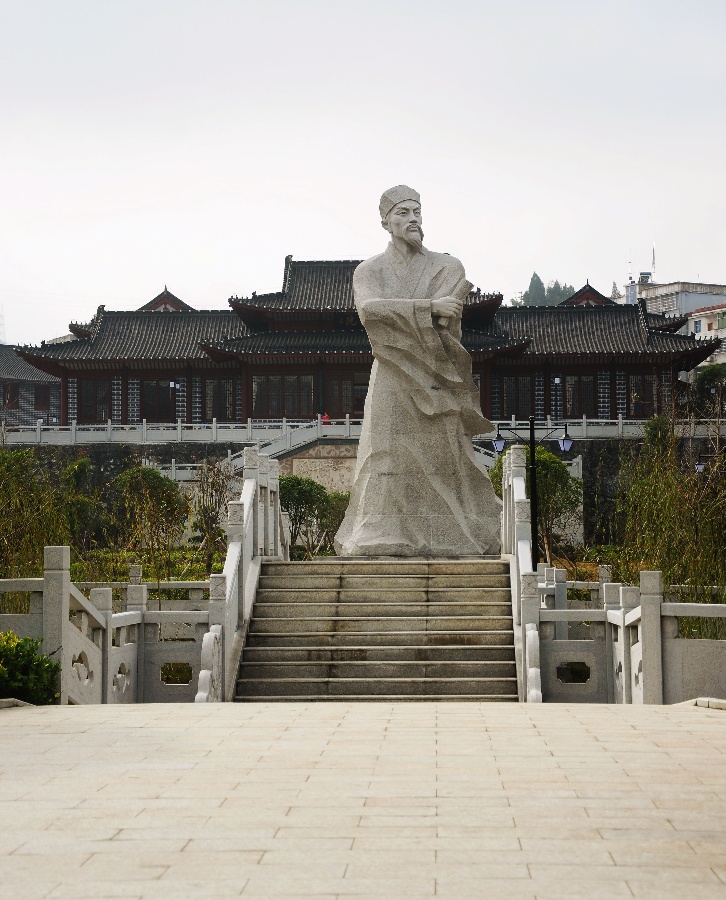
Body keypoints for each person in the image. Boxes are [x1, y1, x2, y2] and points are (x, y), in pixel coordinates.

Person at [335, 185, 501, 557]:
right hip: (392, 373)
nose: (412, 219)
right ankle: (380, 531)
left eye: (416, 212)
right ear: (385, 221)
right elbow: (370, 312)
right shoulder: (369, 270)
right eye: (403, 213)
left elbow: (449, 319)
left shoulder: (447, 266)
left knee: (446, 455)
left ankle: (455, 535)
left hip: (435, 374)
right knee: (386, 454)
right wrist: (427, 307)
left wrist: (421, 313)